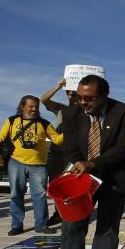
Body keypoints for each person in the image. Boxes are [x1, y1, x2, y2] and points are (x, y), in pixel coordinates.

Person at [49, 75, 125, 249]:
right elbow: (70, 148)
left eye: (89, 98)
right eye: (79, 97)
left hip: (113, 178)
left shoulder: (123, 112)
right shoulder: (71, 113)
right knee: (72, 228)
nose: (83, 102)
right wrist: (80, 164)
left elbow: (124, 147)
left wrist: (94, 163)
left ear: (104, 96)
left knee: (106, 232)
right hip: (80, 179)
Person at [0, 96, 63, 235]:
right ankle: (17, 225)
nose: (34, 109)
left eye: (36, 106)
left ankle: (41, 225)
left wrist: (69, 132)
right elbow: (1, 137)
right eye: (31, 106)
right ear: (22, 107)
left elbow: (57, 139)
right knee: (16, 194)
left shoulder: (44, 123)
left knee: (40, 196)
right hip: (16, 162)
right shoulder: (12, 121)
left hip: (39, 165)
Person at [40, 78, 79, 226]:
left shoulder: (85, 111)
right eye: (68, 93)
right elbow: (43, 99)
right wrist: (58, 86)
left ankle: (73, 212)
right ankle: (59, 213)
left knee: (72, 183)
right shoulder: (60, 108)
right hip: (57, 151)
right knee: (56, 183)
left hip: (74, 152)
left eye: (74, 93)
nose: (71, 95)